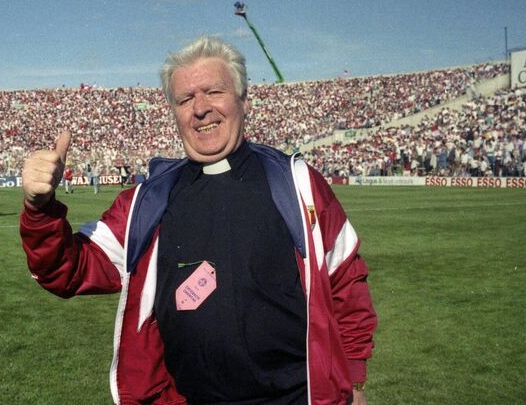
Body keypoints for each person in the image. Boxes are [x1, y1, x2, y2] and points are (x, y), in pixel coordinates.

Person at [20, 37, 376, 404]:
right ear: (174, 113)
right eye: (185, 99)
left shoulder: (299, 185)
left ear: (243, 101)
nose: (201, 109)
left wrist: (354, 380)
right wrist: (40, 207)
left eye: (214, 92)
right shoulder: (147, 202)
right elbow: (66, 269)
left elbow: (346, 281)